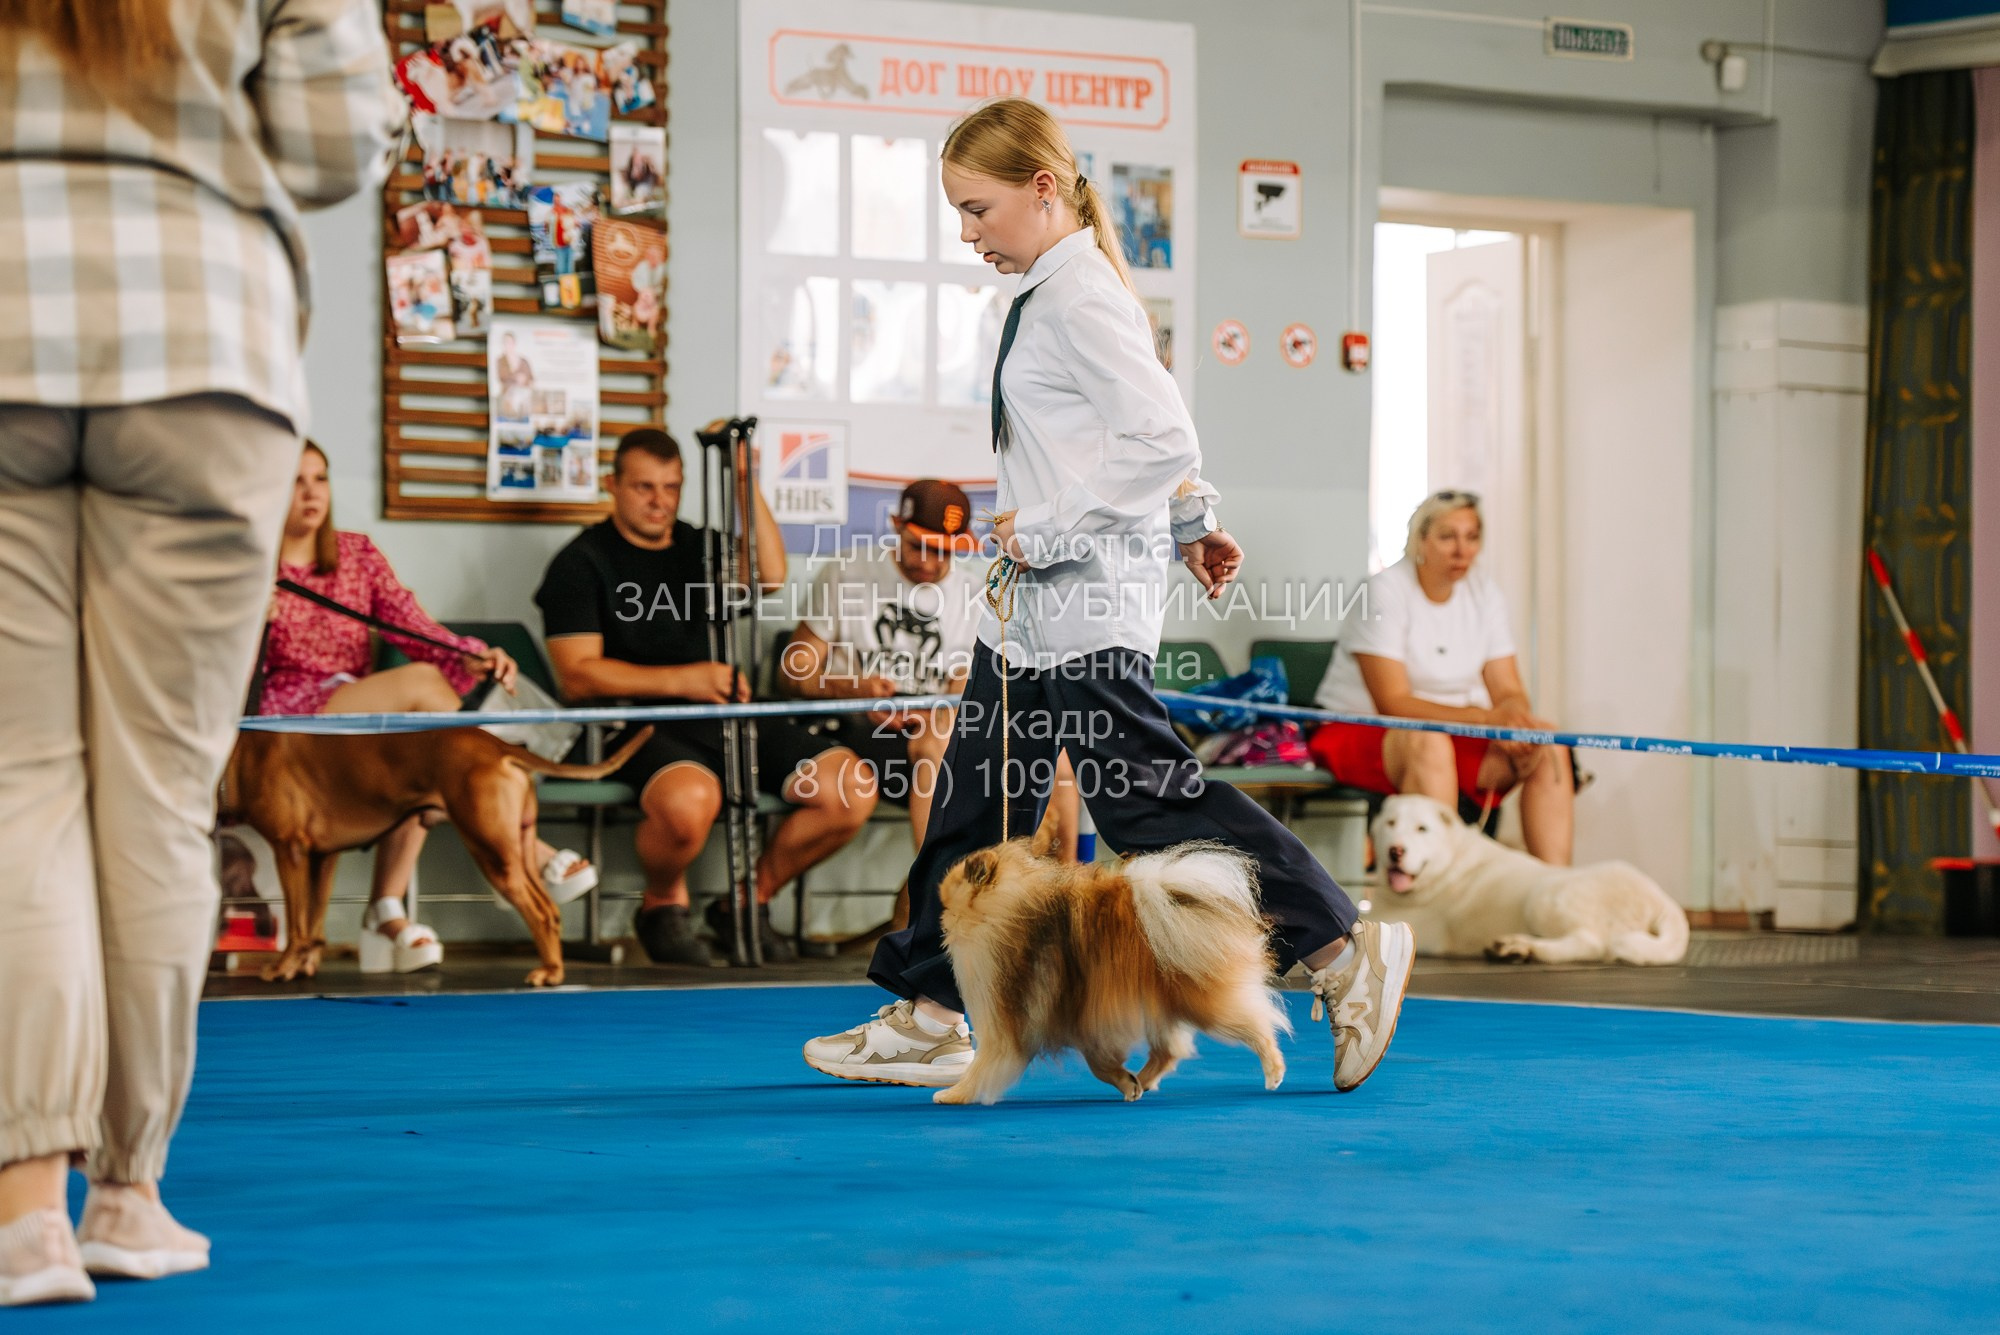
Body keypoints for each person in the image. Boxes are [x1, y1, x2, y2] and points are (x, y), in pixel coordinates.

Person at [801, 98, 1414, 1095]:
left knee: (1147, 807)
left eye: (977, 209)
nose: (966, 234)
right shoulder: (1052, 290)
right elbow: (1122, 435)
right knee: (972, 805)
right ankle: (929, 1011)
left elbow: (1161, 437)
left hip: (1080, 607)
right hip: (1030, 612)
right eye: (957, 213)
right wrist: (1187, 521)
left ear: (1042, 190)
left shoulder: (1077, 295)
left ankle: (1342, 948)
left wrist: (1047, 530)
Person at [0, 0, 404, 1307]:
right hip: (200, 351)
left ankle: (20, 1213)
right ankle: (128, 1190)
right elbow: (334, 142)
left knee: (19, 790)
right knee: (163, 798)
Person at [535, 429, 878, 966]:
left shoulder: (700, 547)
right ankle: (661, 904)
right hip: (636, 722)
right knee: (691, 801)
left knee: (849, 786)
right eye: (645, 487)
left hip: (726, 712)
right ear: (613, 486)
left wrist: (745, 479)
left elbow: (771, 573)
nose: (659, 500)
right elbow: (578, 677)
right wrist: (684, 679)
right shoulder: (581, 562)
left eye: (671, 487)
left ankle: (746, 902)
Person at [257, 443, 600, 973]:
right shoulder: (248, 565)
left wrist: (474, 656)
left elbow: (412, 625)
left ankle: (386, 909)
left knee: (424, 751)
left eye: (320, 479)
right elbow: (218, 664)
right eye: (296, 480)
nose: (311, 493)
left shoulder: (356, 554)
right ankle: (530, 849)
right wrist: (249, 619)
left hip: (356, 707)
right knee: (424, 699)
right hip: (290, 720)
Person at [785, 478, 1081, 858]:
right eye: (917, 545)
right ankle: (935, 896)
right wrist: (852, 688)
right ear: (895, 525)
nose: (927, 561)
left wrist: (957, 695)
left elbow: (975, 686)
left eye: (941, 550)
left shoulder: (978, 594)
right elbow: (793, 673)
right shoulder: (847, 573)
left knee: (1055, 756)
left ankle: (1065, 891)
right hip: (855, 725)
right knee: (939, 743)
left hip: (939, 727)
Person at [1309, 491, 1575, 864]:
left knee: (1549, 744)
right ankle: (1444, 894)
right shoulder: (1384, 591)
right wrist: (1488, 720)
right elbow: (1394, 703)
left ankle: (1556, 890)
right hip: (1360, 729)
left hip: (1452, 730)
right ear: (1421, 540)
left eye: (1472, 537)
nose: (1461, 550)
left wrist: (1515, 721)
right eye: (1448, 537)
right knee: (1429, 743)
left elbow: (1509, 689)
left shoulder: (1484, 592)